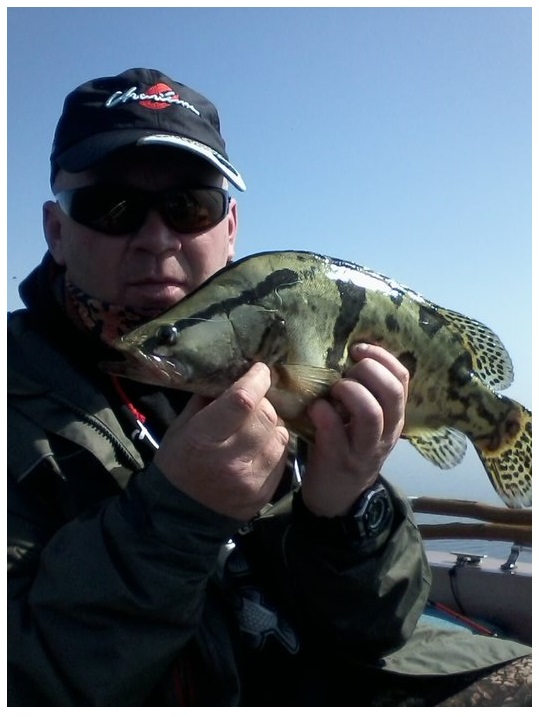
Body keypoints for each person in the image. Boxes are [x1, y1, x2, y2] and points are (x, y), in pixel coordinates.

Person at [7, 67, 531, 707]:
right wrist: (176, 513)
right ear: (56, 231)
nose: (156, 240)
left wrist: (348, 510)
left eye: (189, 206)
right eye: (109, 207)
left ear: (229, 228)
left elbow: (381, 628)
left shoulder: (284, 364)